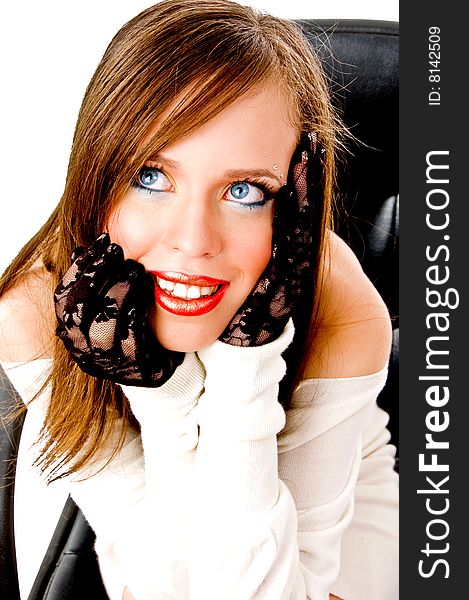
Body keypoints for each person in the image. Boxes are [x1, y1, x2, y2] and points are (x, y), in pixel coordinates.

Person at [0, 1, 398, 599]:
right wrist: (167, 397)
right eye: (151, 178)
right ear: (96, 173)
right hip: (162, 543)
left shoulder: (341, 303)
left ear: (295, 193)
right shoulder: (34, 311)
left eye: (244, 191)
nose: (192, 243)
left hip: (343, 494)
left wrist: (246, 361)